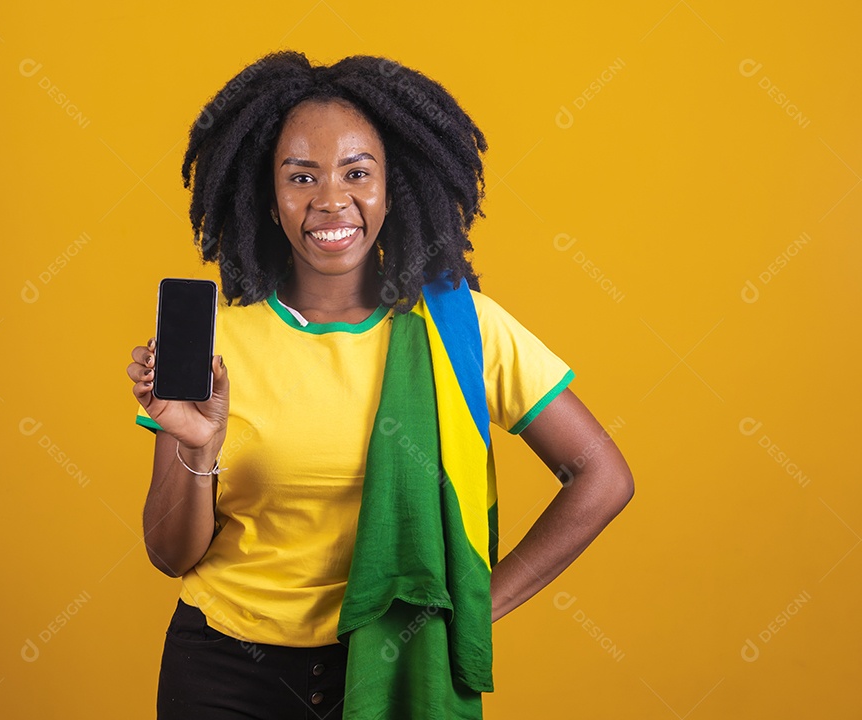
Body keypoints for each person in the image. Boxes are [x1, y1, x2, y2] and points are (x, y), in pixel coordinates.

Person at [126, 51, 634, 720]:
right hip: (224, 673)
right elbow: (170, 554)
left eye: (356, 173)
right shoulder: (219, 346)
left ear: (392, 189)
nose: (330, 200)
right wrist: (197, 449)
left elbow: (603, 477)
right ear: (268, 198)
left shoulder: (462, 333)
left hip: (392, 671)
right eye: (300, 176)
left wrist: (472, 612)